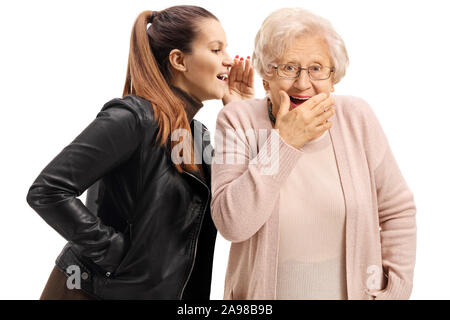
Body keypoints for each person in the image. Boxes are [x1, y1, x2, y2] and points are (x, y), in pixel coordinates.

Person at [26, 5, 254, 300]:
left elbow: (241, 206)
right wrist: (118, 256)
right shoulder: (133, 117)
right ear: (178, 60)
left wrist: (242, 113)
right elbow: (48, 190)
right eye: (216, 49)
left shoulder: (197, 136)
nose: (228, 61)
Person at [211, 7, 416, 300]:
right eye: (288, 67)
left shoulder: (357, 117)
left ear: (334, 78)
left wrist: (395, 291)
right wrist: (285, 142)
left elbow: (398, 210)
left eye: (317, 68)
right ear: (266, 76)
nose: (303, 83)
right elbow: (232, 224)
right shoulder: (237, 120)